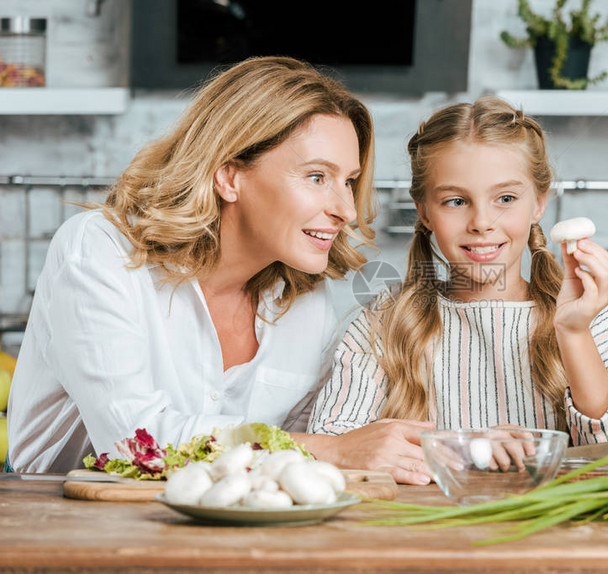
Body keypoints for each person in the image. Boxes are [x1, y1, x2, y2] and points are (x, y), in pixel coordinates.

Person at [5, 56, 429, 474]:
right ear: (229, 177)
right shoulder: (100, 251)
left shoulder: (306, 299)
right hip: (59, 521)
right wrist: (331, 449)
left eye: (349, 182)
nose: (346, 210)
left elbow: (292, 463)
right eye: (317, 176)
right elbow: (134, 441)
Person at [309, 97, 608, 483]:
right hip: (420, 537)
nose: (482, 222)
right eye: (456, 201)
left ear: (539, 202)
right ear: (424, 211)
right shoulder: (382, 326)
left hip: (551, 540)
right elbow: (330, 447)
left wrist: (573, 332)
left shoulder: (586, 316)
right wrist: (467, 448)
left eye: (505, 198)